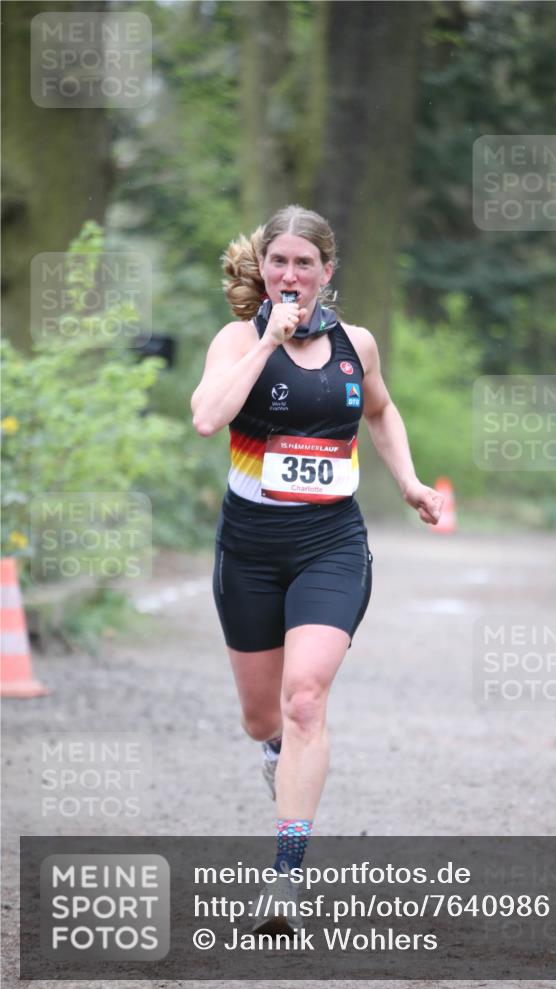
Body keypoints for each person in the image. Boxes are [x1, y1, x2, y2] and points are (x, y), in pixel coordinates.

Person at [191, 204, 442, 933]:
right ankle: (273, 749)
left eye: (306, 263)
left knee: (306, 700)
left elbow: (383, 412)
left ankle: (284, 882)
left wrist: (410, 481)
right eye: (279, 262)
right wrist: (264, 343)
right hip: (249, 550)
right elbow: (209, 418)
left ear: (327, 272)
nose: (291, 274)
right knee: (263, 716)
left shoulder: (354, 345)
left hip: (330, 543)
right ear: (262, 269)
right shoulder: (237, 339)